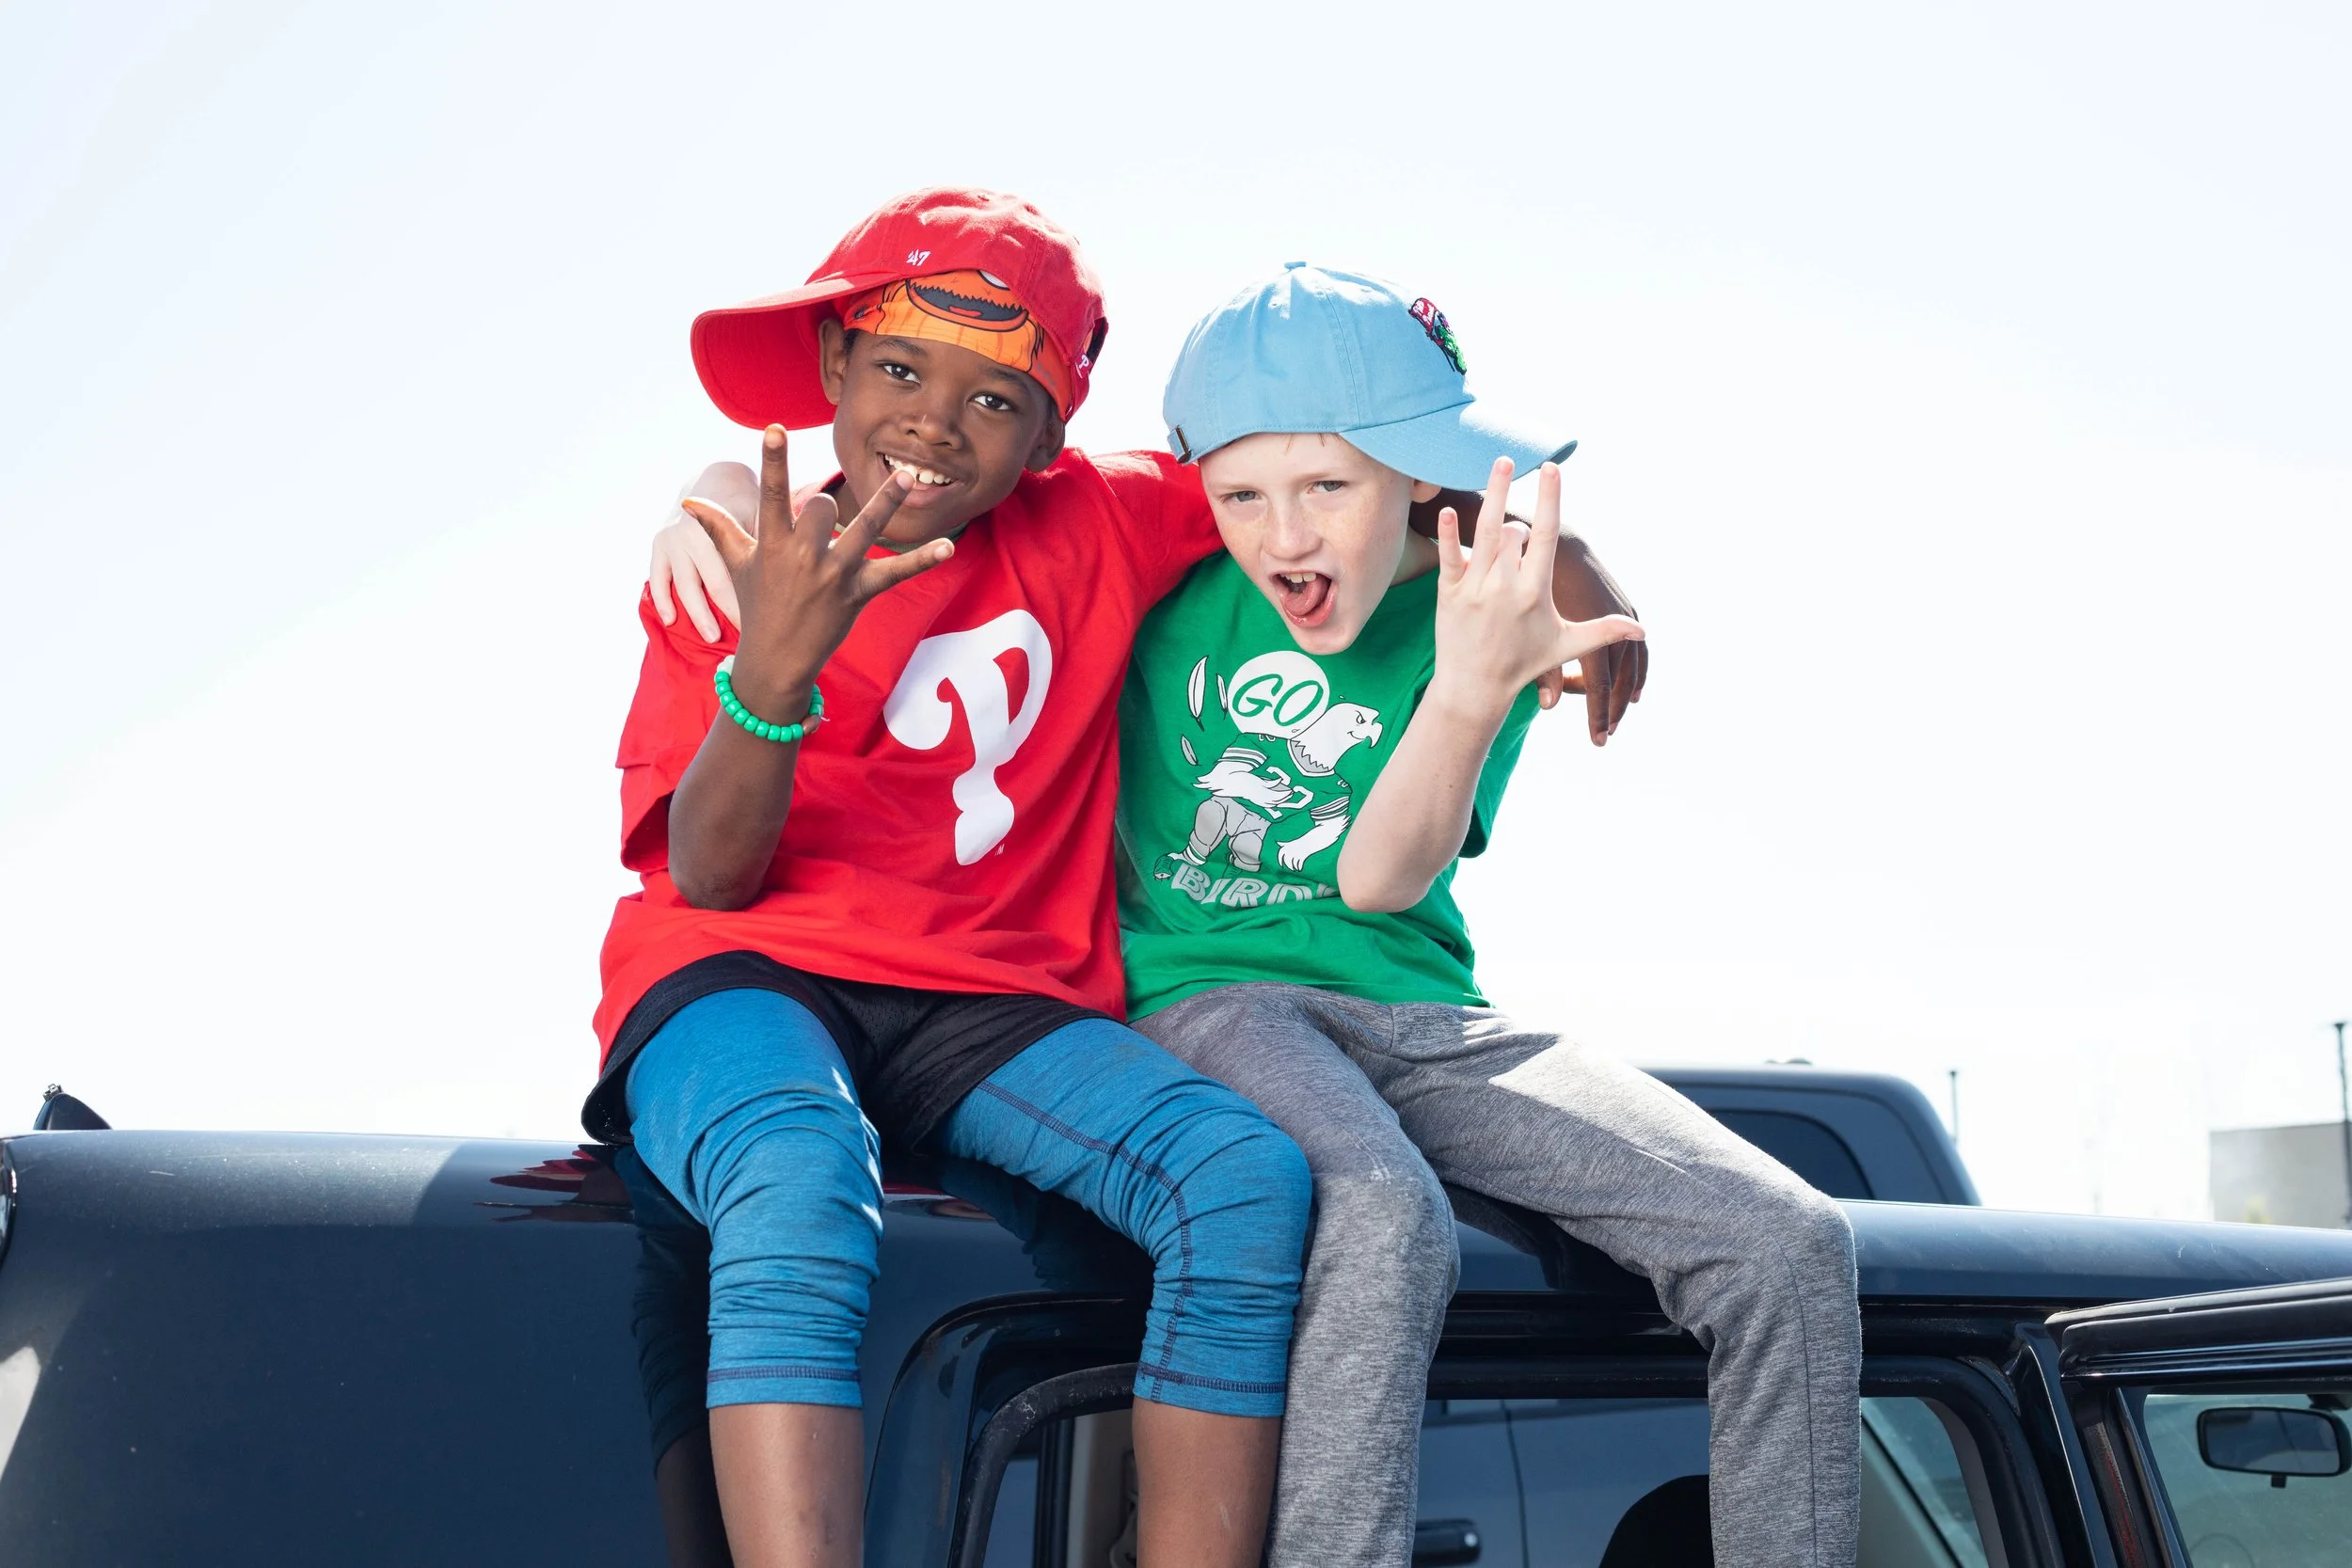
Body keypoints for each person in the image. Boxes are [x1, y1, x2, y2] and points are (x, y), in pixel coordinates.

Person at [655, 262, 1858, 1568]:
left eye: (1331, 490)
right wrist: (711, 489)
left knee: (1791, 1242)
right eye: (1242, 497)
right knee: (1377, 1207)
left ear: (1422, 479)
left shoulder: (1485, 617)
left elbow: (1383, 881)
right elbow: (937, 491)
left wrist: (1520, 606)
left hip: (1421, 1002)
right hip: (1197, 988)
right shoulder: (1161, 563)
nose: (1283, 535)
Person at [595, 186, 1326, 1568]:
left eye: (998, 401)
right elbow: (713, 870)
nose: (934, 418)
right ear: (832, 368)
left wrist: (1546, 553)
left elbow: (1312, 484)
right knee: (797, 1171)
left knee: (1241, 1177)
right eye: (898, 367)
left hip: (988, 996)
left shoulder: (1100, 521)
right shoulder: (743, 561)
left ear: (1054, 436)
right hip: (744, 969)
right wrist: (773, 670)